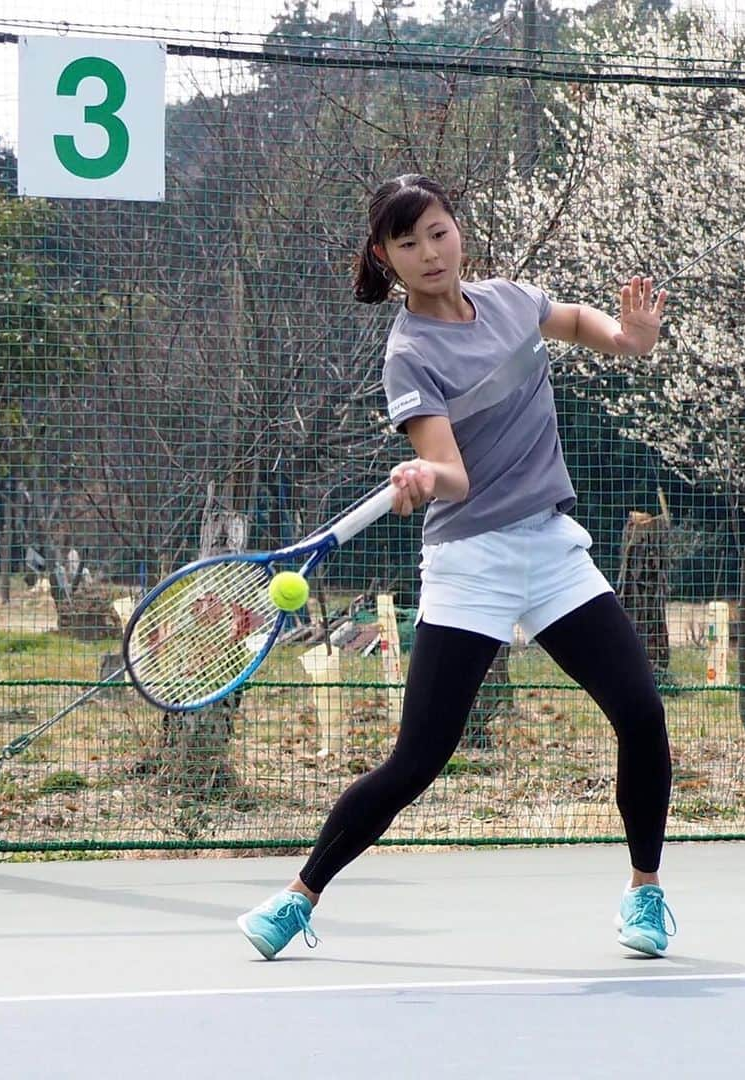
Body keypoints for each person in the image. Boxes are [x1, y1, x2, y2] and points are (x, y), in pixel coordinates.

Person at [237, 174, 675, 960]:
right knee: (419, 757)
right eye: (407, 244)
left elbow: (572, 319)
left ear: (456, 230)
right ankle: (298, 898)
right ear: (386, 257)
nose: (429, 253)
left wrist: (626, 338)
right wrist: (423, 478)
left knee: (641, 711)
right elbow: (455, 474)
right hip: (471, 559)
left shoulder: (509, 300)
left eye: (437, 232)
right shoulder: (409, 354)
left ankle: (645, 893)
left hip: (549, 546)